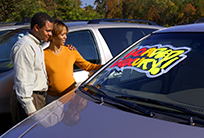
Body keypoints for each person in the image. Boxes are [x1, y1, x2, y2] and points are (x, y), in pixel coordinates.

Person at [10, 12, 53, 125]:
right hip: (30, 99)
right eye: (48, 30)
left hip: (37, 98)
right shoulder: (25, 47)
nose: (50, 34)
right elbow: (23, 81)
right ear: (36, 28)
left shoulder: (36, 44)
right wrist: (31, 111)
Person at [44, 20, 102, 104]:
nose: (65, 37)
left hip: (70, 96)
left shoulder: (71, 51)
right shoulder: (43, 55)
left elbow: (88, 66)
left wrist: (108, 67)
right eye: (62, 34)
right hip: (52, 99)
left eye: (66, 34)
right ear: (53, 36)